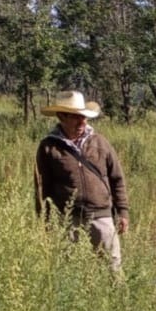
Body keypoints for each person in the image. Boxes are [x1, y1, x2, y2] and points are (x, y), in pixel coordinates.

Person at [33, 91, 130, 270]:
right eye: (76, 117)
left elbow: (117, 179)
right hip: (67, 220)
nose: (82, 122)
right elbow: (41, 189)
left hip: (102, 217)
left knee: (113, 269)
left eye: (84, 117)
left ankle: (117, 298)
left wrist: (122, 212)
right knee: (70, 271)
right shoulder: (48, 147)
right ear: (61, 117)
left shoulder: (100, 142)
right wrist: (46, 222)